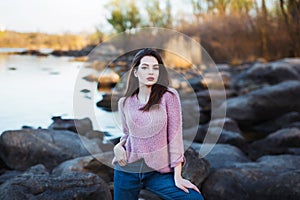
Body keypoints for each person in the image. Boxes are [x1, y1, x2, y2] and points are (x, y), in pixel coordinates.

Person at [112, 48, 204, 200]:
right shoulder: (125, 102)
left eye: (155, 68)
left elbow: (175, 137)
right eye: (145, 67)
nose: (151, 72)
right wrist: (118, 146)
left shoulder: (169, 97)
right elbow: (127, 134)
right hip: (127, 169)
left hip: (157, 172)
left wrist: (178, 175)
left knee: (194, 199)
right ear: (135, 72)